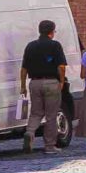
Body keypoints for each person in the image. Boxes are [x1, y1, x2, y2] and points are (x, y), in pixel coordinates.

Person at [22, 19, 65, 152]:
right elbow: (61, 66)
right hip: (51, 82)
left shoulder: (30, 46)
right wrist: (62, 81)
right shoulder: (55, 45)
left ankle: (30, 132)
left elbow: (23, 69)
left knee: (36, 112)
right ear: (51, 32)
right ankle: (50, 146)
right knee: (51, 115)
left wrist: (23, 85)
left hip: (34, 82)